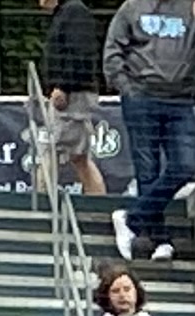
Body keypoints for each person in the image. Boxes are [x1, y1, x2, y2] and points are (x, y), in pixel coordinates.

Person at [103, 0, 195, 266]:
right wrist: (126, 87)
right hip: (141, 96)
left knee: (184, 166)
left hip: (181, 99)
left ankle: (131, 219)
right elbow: (112, 51)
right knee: (146, 171)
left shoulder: (193, 4)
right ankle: (160, 240)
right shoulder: (131, 7)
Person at [38, 0, 112, 203]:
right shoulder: (67, 13)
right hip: (71, 92)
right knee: (79, 157)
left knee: (51, 149)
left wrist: (63, 86)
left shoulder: (74, 11)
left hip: (72, 94)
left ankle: (42, 202)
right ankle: (98, 202)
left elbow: (80, 53)